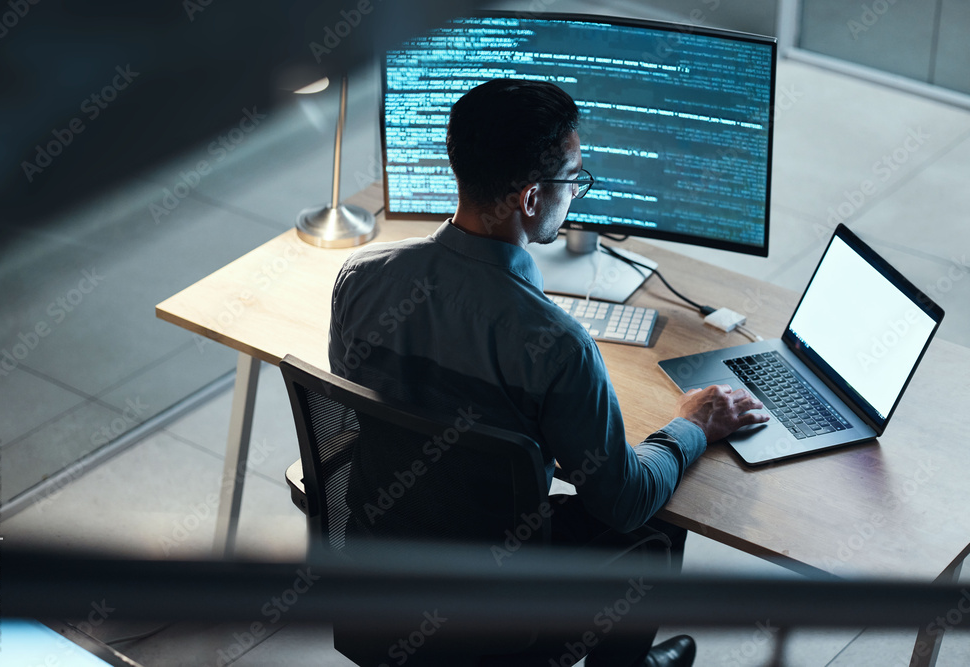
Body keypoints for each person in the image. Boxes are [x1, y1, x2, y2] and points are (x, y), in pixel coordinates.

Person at [329, 79, 768, 667]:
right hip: (496, 609)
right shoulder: (558, 345)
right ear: (532, 199)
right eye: (573, 179)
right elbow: (624, 501)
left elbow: (366, 409)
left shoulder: (360, 277)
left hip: (378, 571)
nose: (577, 195)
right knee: (655, 524)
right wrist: (691, 423)